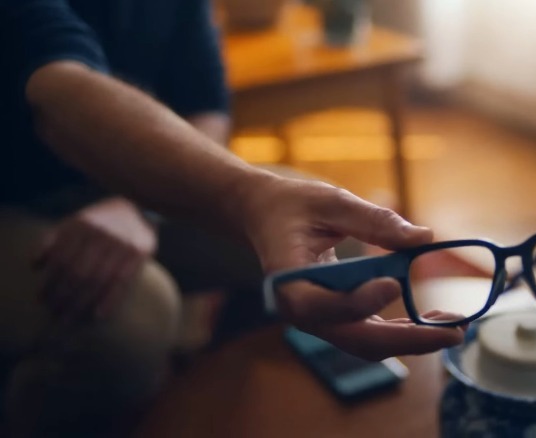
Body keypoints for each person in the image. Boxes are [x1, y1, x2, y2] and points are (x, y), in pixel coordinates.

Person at [0, 0, 464, 434]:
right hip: (17, 197)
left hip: (126, 183)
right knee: (135, 320)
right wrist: (244, 195)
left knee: (332, 241)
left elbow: (207, 104)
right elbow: (52, 85)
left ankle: (216, 383)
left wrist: (139, 205)